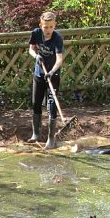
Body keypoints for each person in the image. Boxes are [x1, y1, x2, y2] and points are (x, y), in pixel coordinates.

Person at [28, 11, 65, 149]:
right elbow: (31, 49)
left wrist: (51, 72)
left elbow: (59, 59)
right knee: (36, 103)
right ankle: (36, 134)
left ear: (54, 25)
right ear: (40, 25)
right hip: (39, 73)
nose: (48, 30)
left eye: (51, 27)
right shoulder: (36, 33)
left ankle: (50, 139)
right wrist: (36, 56)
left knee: (51, 105)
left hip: (52, 76)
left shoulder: (57, 38)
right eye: (45, 27)